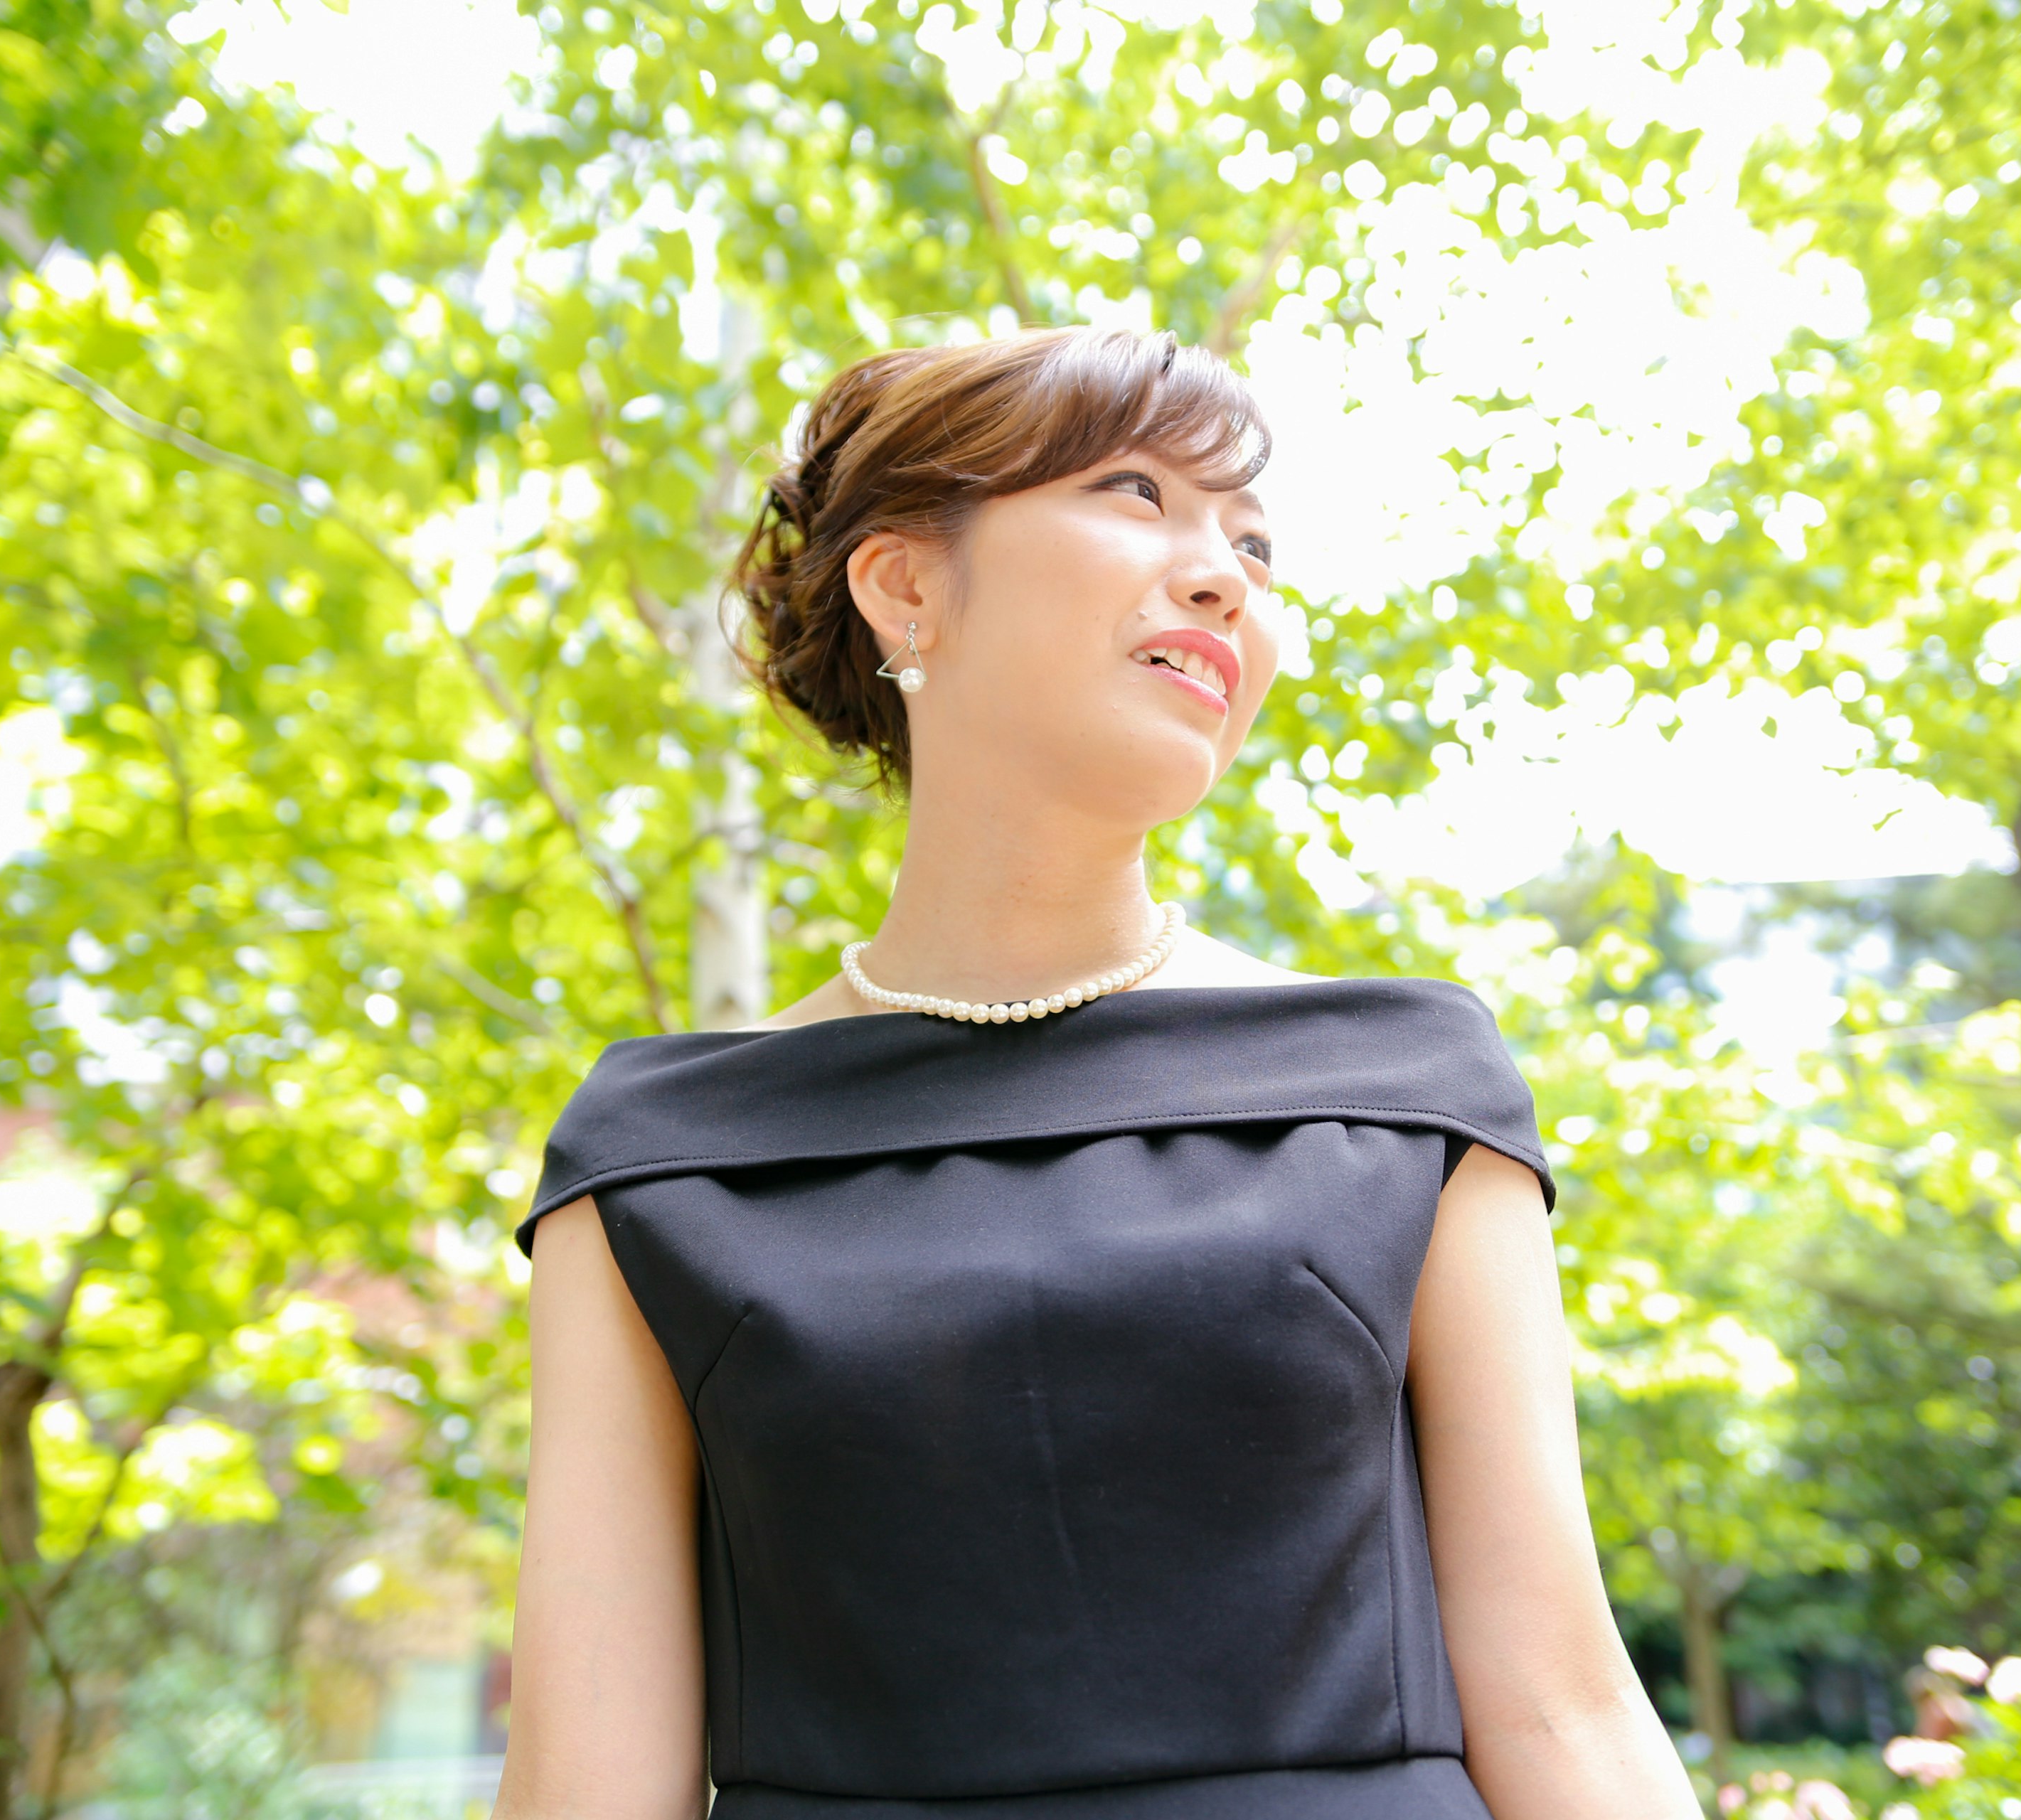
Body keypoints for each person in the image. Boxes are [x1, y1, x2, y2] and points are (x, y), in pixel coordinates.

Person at [491, 326, 1701, 1820]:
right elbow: (586, 1776)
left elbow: (1567, 1705)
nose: (1224, 575)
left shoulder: (1406, 1086)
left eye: (1252, 542)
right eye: (1136, 493)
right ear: (907, 584)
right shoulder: (656, 1157)